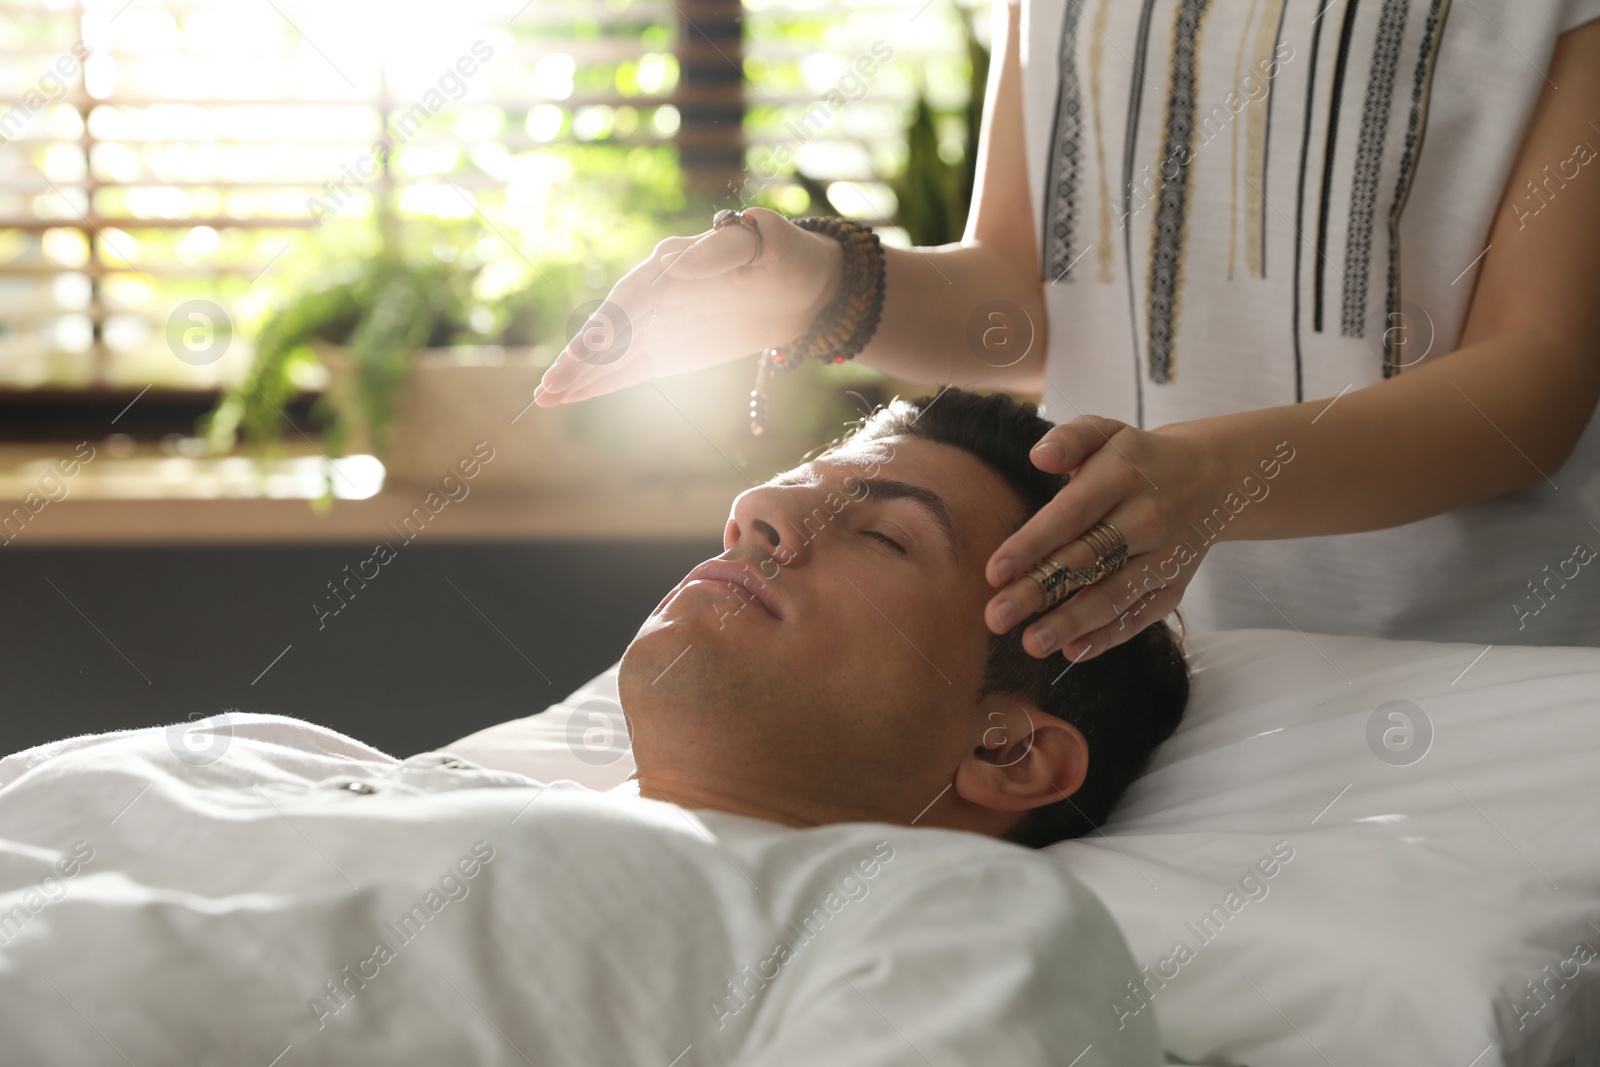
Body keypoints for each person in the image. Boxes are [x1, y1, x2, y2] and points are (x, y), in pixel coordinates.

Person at [0, 389, 1187, 1066]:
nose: (759, 512)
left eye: (882, 533)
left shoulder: (927, 914)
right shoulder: (278, 751)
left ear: (1009, 747)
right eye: (786, 487)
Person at [532, 0, 1600, 657]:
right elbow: (1029, 308)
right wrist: (818, 286)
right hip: (1146, 651)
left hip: (1470, 661)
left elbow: (1535, 383)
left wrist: (1203, 479)